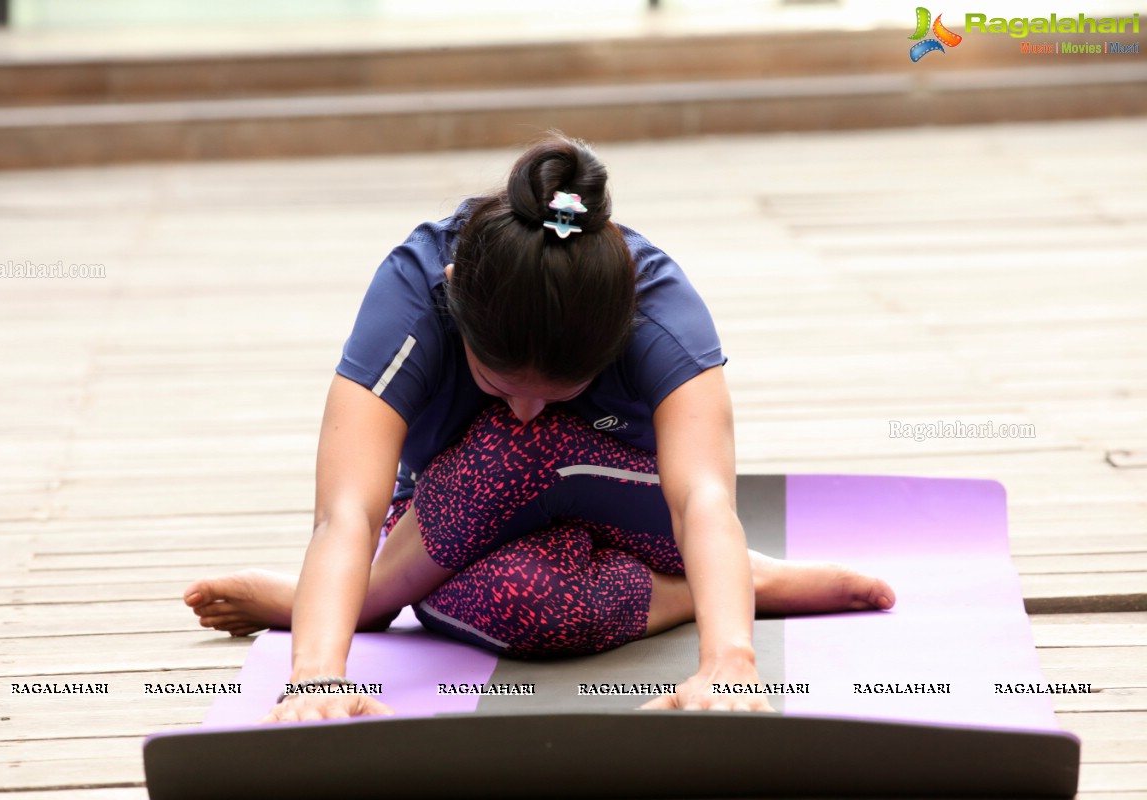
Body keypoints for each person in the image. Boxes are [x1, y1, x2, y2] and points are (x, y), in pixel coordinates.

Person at [184, 134, 895, 722]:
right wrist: (314, 677)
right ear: (456, 291)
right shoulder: (414, 290)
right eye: (498, 383)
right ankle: (742, 584)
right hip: (463, 521)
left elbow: (701, 499)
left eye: (562, 390)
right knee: (520, 604)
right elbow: (347, 509)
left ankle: (373, 596)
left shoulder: (656, 305)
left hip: (637, 517)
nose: (525, 407)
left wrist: (730, 663)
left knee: (524, 447)